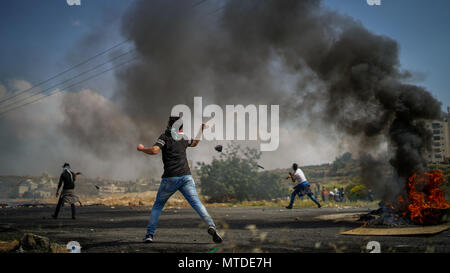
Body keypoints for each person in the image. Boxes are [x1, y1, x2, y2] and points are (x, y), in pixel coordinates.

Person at [137, 116, 222, 244]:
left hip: (170, 178)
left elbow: (154, 151)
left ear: (170, 126)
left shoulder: (164, 137)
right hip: (186, 177)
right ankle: (211, 225)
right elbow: (194, 143)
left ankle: (149, 235)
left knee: (158, 206)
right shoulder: (183, 137)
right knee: (197, 203)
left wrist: (142, 148)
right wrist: (201, 129)